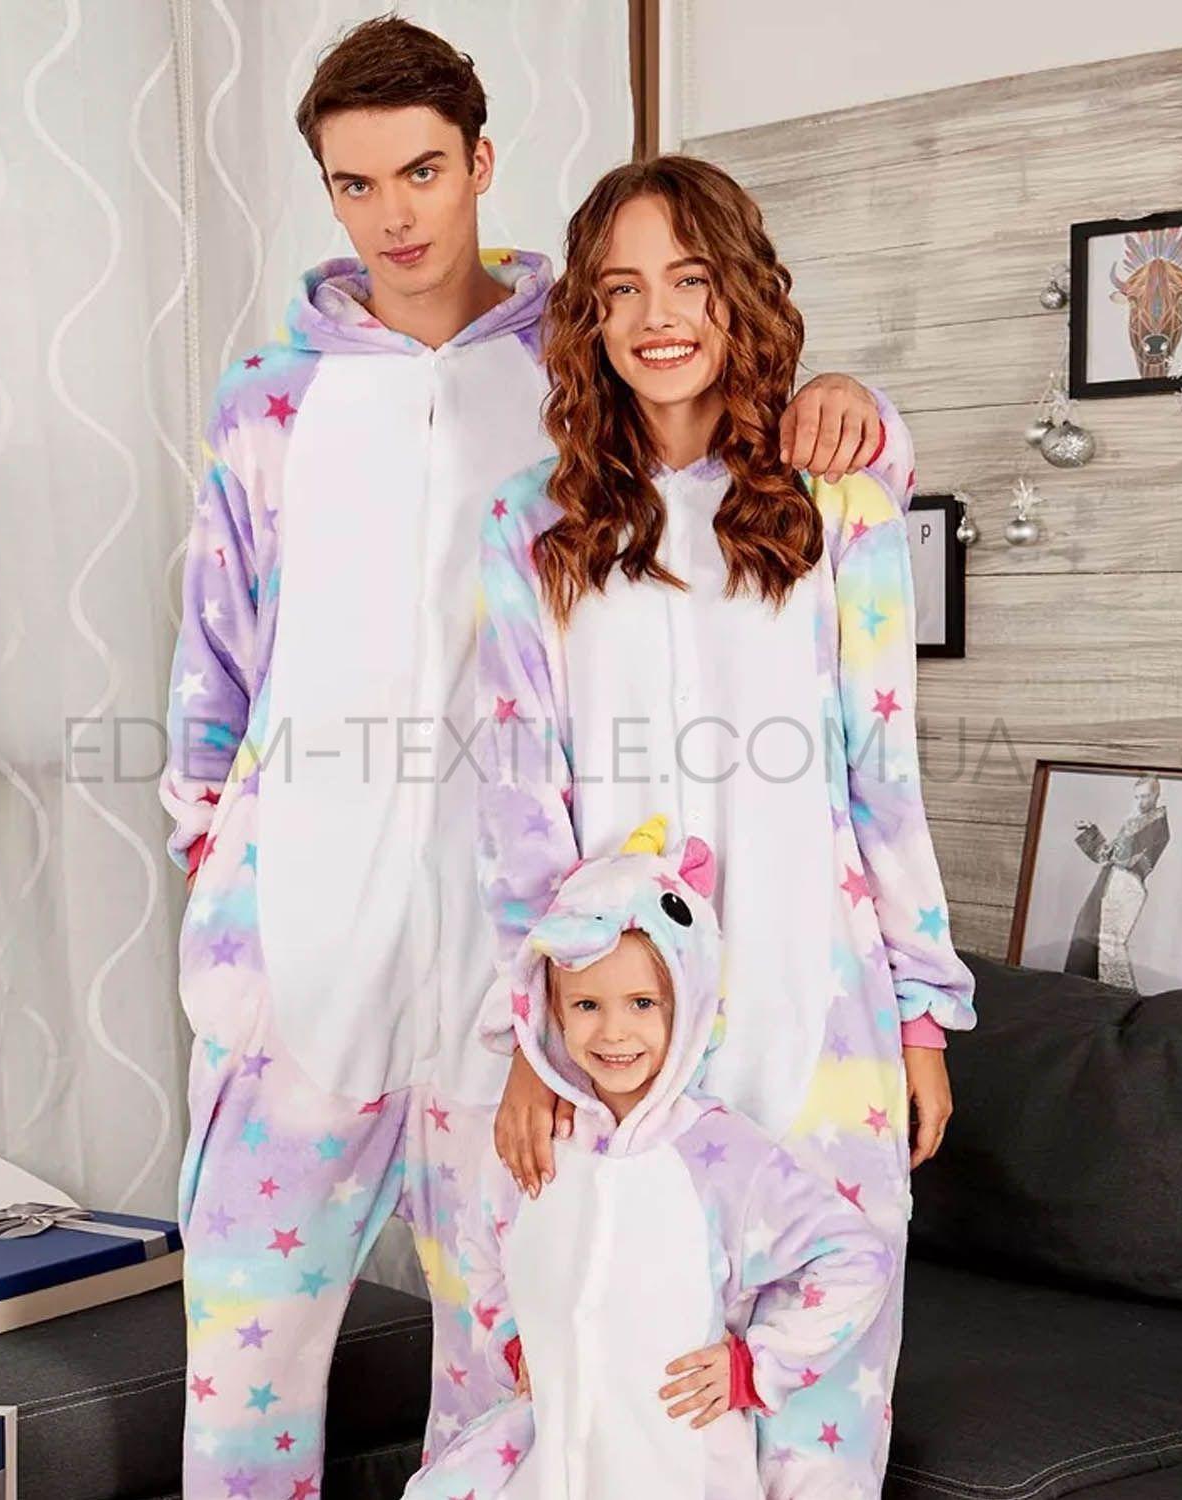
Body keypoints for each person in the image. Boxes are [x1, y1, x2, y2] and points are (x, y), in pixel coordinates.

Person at [160, 19, 894, 1497]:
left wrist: (858, 403)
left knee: (509, 1361)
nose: (395, 214)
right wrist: (221, 868)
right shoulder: (269, 401)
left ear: (482, 161)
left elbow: (724, 413)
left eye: (423, 170)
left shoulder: (577, 354)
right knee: (246, 1350)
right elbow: (213, 668)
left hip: (526, 962)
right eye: (356, 183)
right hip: (305, 940)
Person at [474, 155, 977, 1495]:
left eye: (690, 281)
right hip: (615, 1032)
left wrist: (921, 1018)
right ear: (587, 318)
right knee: (616, 1407)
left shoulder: (836, 503)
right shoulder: (531, 527)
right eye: (621, 289)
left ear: (738, 293)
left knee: (817, 1406)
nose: (659, 317)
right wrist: (533, 1040)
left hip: (822, 1008)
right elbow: (520, 802)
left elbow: (882, 771)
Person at [403, 819, 894, 1499]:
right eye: (587, 1004)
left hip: (681, 1470)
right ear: (552, 1011)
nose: (614, 1032)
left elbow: (857, 1258)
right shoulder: (538, 1146)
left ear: (685, 1005)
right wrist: (514, 1343)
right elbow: (481, 1253)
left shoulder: (722, 1158)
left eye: (642, 1003)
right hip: (556, 1465)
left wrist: (757, 1367)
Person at [1065, 776, 1170, 988]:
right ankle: (1087, 991)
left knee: (1110, 944)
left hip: (1125, 885)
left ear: (1156, 795)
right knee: (1090, 934)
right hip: (1112, 880)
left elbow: (1123, 858)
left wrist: (1111, 837)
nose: (1141, 802)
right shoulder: (1137, 821)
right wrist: (1091, 830)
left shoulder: (1156, 824)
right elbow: (1106, 855)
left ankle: (1117, 996)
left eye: (1146, 796)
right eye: (1137, 797)